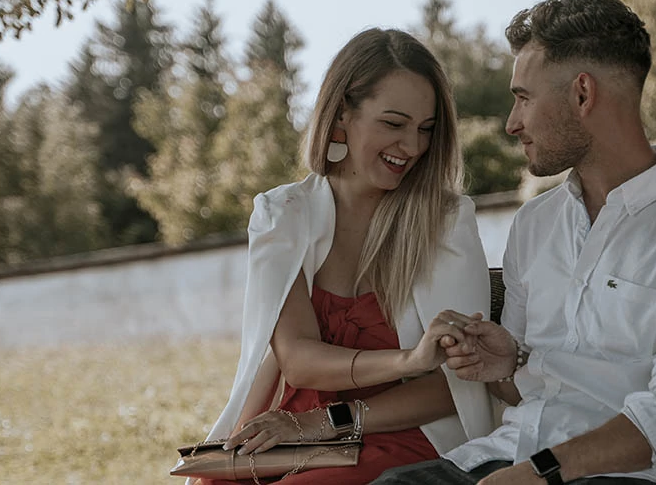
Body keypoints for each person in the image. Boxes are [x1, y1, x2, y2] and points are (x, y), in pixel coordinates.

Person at [374, 0, 656, 485]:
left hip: (622, 478)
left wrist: (540, 473)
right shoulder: (535, 224)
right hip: (503, 458)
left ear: (582, 94)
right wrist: (509, 364)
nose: (511, 122)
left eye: (523, 97)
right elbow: (525, 390)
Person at [189, 28, 494, 485]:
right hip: (291, 427)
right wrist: (409, 359)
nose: (412, 147)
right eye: (394, 124)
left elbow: (461, 381)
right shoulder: (283, 213)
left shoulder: (446, 220)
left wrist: (331, 420)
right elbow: (296, 360)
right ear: (340, 118)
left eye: (425, 130)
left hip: (403, 429)